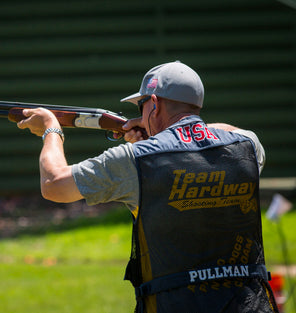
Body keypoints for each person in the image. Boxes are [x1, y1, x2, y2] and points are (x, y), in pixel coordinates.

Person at [16, 61, 278, 313]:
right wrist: (171, 133)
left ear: (154, 104)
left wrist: (51, 130)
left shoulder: (137, 159)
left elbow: (54, 184)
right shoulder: (247, 147)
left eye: (141, 105)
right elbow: (229, 132)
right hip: (250, 306)